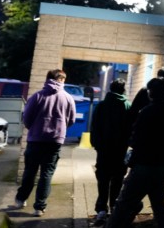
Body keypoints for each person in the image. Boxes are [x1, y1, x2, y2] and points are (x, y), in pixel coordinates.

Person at [106, 77, 164, 228]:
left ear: (152, 93)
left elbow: (137, 139)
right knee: (158, 202)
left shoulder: (147, 112)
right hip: (163, 163)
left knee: (124, 203)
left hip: (144, 164)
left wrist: (132, 158)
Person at [12, 68, 77, 217]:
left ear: (48, 79)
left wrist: (33, 128)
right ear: (62, 80)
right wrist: (60, 129)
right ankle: (39, 207)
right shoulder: (68, 98)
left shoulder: (37, 96)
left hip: (35, 139)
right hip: (54, 141)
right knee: (46, 174)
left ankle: (21, 199)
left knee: (30, 171)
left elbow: (26, 118)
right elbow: (71, 120)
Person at [90, 78, 132, 226]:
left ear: (110, 88)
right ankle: (114, 207)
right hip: (120, 151)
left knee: (103, 180)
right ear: (123, 90)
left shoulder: (102, 106)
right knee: (117, 179)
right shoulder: (127, 106)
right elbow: (131, 129)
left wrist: (96, 144)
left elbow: (94, 126)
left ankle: (101, 210)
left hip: (104, 150)